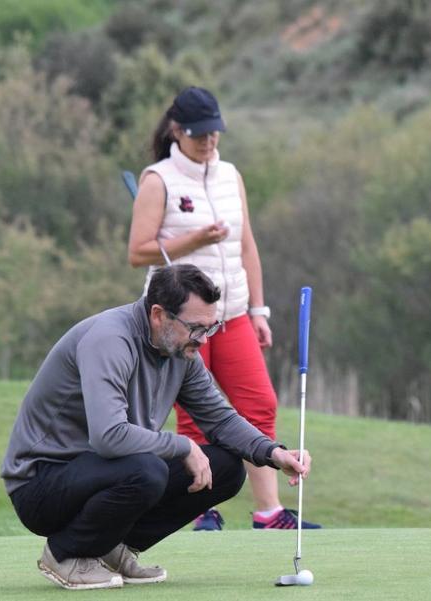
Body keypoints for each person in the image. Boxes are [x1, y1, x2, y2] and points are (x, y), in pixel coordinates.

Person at [0, 264, 312, 591]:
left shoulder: (182, 351)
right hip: (41, 484)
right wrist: (183, 446)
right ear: (159, 315)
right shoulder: (110, 340)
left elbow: (219, 418)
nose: (203, 340)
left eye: (211, 327)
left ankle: (108, 546)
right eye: (196, 328)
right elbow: (108, 437)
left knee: (226, 468)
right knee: (146, 469)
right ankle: (66, 554)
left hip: (102, 473)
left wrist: (272, 452)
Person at [128, 86, 320, 531]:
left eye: (215, 134)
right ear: (178, 131)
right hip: (182, 320)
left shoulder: (230, 174)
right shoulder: (158, 179)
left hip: (231, 313)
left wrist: (259, 309)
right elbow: (139, 252)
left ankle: (269, 512)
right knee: (195, 416)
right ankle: (200, 511)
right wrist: (196, 240)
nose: (209, 143)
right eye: (200, 135)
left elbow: (246, 244)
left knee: (259, 403)